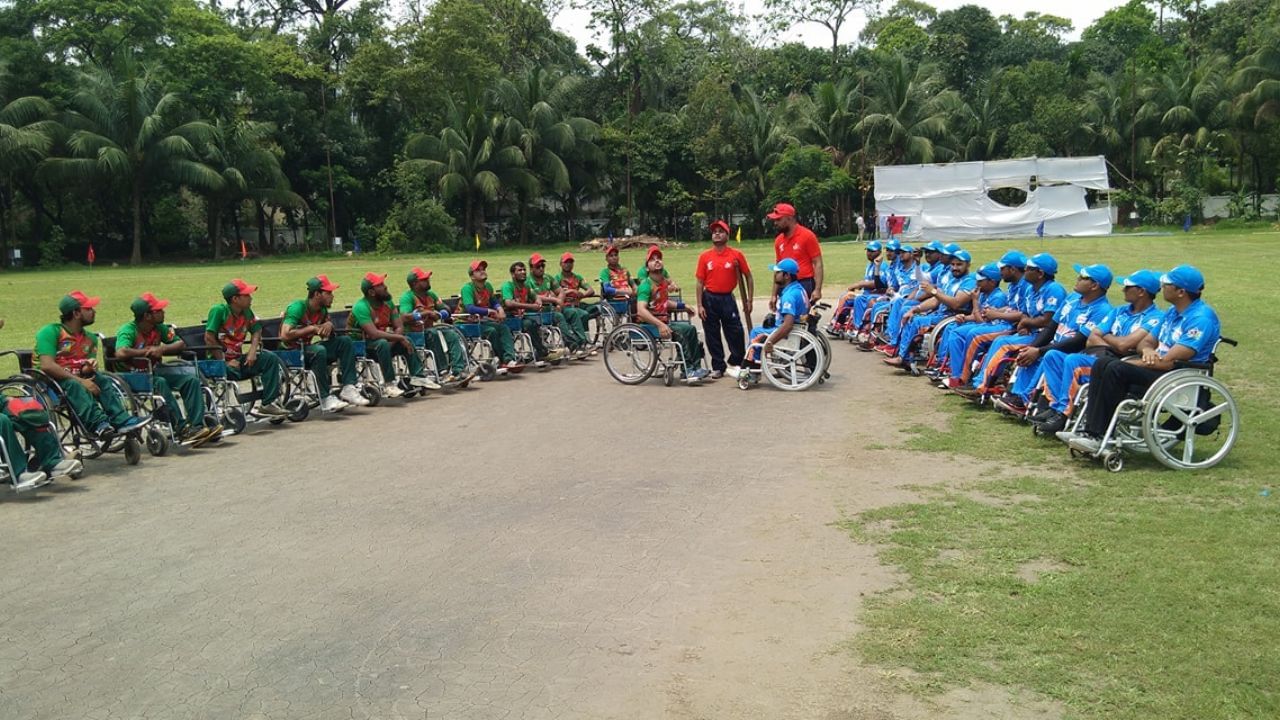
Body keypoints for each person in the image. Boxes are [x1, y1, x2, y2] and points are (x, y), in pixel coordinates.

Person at [1063, 265, 1220, 454]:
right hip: (1158, 366)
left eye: (1167, 283)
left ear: (1181, 292)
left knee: (1114, 368)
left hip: (1175, 373)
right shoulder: (1172, 312)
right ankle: (1090, 431)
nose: (1162, 286)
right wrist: (1147, 351)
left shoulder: (1200, 319)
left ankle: (1099, 434)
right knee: (1103, 363)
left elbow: (1171, 360)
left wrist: (1137, 359)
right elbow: (1145, 342)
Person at [1028, 269, 1163, 434]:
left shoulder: (1155, 317)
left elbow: (1123, 345)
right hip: (1103, 358)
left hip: (1121, 365)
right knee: (1053, 356)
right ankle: (1054, 406)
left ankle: (1063, 414)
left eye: (1128, 287)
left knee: (1073, 360)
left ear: (1142, 292)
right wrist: (1114, 343)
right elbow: (1093, 337)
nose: (1123, 290)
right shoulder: (1119, 311)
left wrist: (1107, 338)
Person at [989, 263, 1114, 416]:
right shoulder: (1072, 299)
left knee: (1045, 355)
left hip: (1071, 352)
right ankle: (1015, 394)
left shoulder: (1102, 310)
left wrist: (1039, 351)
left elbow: (1079, 341)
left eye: (1083, 278)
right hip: (1054, 345)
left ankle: (1027, 399)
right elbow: (1051, 328)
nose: (1077, 279)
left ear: (1094, 285)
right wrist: (1033, 348)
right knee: (1030, 353)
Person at [36, 291, 151, 439]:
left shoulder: (90, 338)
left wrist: (88, 368)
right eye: (89, 309)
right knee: (74, 385)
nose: (94, 312)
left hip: (77, 378)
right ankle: (98, 425)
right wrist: (81, 381)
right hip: (50, 382)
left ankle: (121, 420)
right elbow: (47, 366)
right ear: (76, 313)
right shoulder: (50, 332)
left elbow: (83, 367)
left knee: (102, 379)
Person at [953, 253, 1067, 398]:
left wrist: (1024, 322)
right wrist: (1025, 322)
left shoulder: (1054, 289)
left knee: (1000, 342)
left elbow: (1047, 321)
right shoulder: (1032, 289)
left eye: (1029, 268)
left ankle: (980, 385)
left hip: (1044, 336)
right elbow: (1025, 313)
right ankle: (976, 380)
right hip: (1030, 332)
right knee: (995, 340)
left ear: (1040, 273)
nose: (1025, 270)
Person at [116, 292, 220, 445]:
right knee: (160, 382)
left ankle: (196, 426)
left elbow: (180, 344)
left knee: (190, 380)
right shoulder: (128, 330)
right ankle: (180, 427)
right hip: (134, 376)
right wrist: (146, 351)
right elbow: (121, 352)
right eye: (158, 310)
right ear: (147, 315)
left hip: (155, 371)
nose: (163, 312)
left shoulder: (159, 328)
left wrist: (162, 349)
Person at [280, 275, 367, 412]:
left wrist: (329, 325)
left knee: (345, 341)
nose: (332, 296)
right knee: (319, 350)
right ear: (316, 294)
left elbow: (328, 334)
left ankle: (348, 387)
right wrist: (311, 328)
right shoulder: (298, 307)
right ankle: (325, 398)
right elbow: (285, 335)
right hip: (291, 352)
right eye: (328, 293)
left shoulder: (322, 311)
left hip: (309, 349)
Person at [349, 272, 441, 396]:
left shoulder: (389, 304)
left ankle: (418, 376)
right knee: (383, 343)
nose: (385, 286)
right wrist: (398, 337)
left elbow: (399, 326)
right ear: (371, 292)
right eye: (380, 285)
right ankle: (389, 384)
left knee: (406, 340)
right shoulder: (361, 307)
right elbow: (374, 333)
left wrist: (397, 339)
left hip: (383, 343)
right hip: (360, 345)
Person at [635, 245, 709, 383]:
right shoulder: (645, 285)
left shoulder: (662, 283)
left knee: (691, 329)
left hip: (663, 320)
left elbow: (664, 303)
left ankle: (695, 367)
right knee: (681, 332)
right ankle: (687, 371)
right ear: (647, 267)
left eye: (659, 258)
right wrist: (659, 325)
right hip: (650, 324)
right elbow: (641, 310)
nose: (657, 261)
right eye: (652, 259)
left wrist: (683, 306)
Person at [694, 219, 753, 379]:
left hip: (727, 298)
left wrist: (749, 300)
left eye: (720, 231)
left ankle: (736, 361)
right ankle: (718, 366)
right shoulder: (705, 256)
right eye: (714, 232)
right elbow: (700, 282)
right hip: (709, 298)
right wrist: (700, 305)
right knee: (712, 333)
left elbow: (748, 276)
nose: (717, 234)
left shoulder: (736, 255)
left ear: (727, 235)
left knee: (736, 331)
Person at [399, 267, 473, 383]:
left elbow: (446, 309)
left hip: (430, 328)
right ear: (414, 284)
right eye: (424, 279)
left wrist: (439, 314)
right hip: (414, 333)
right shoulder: (407, 297)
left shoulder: (431, 295)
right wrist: (425, 313)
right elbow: (404, 317)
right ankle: (442, 371)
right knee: (432, 333)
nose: (428, 280)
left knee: (451, 334)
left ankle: (459, 370)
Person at [460, 260, 523, 372]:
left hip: (482, 321)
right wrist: (489, 311)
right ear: (472, 276)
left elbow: (493, 301)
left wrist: (499, 308)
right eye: (478, 270)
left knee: (503, 327)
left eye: (483, 269)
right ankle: (500, 358)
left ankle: (509, 359)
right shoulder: (467, 288)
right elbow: (470, 308)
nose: (482, 271)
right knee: (491, 331)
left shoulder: (487, 286)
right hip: (466, 322)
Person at [746, 258, 809, 368]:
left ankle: (752, 367)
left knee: (755, 332)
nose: (775, 275)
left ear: (787, 276)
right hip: (797, 326)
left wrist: (770, 342)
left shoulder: (789, 297)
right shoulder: (799, 289)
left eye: (778, 272)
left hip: (789, 332)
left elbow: (787, 325)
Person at [502, 261, 564, 367]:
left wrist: (538, 302)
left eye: (524, 270)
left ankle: (545, 347)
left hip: (523, 317)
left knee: (540, 319)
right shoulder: (508, 286)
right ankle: (542, 352)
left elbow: (536, 297)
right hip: (510, 318)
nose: (523, 272)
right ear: (513, 274)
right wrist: (531, 306)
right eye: (519, 270)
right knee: (530, 324)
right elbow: (508, 303)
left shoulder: (525, 286)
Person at [529, 253, 588, 359]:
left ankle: (582, 343)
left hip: (553, 309)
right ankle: (571, 344)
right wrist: (554, 300)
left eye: (543, 266)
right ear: (531, 268)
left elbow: (560, 291)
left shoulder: (548, 278)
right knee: (559, 317)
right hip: (539, 312)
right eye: (538, 266)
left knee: (573, 313)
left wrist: (559, 302)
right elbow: (536, 297)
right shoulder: (528, 282)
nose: (541, 268)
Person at [768, 202, 824, 307]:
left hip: (804, 283)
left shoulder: (807, 236)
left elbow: (817, 263)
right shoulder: (778, 240)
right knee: (786, 316)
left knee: (803, 319)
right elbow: (778, 269)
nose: (775, 223)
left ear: (789, 218)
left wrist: (817, 289)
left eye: (778, 219)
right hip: (785, 283)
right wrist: (774, 295)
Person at [556, 252, 600, 347]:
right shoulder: (557, 278)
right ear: (561, 264)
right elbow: (554, 294)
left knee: (594, 309)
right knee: (583, 314)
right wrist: (570, 291)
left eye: (570, 262)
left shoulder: (577, 278)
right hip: (565, 306)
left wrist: (582, 295)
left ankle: (585, 339)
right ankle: (582, 340)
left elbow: (591, 290)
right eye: (566, 262)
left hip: (576, 305)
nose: (568, 264)